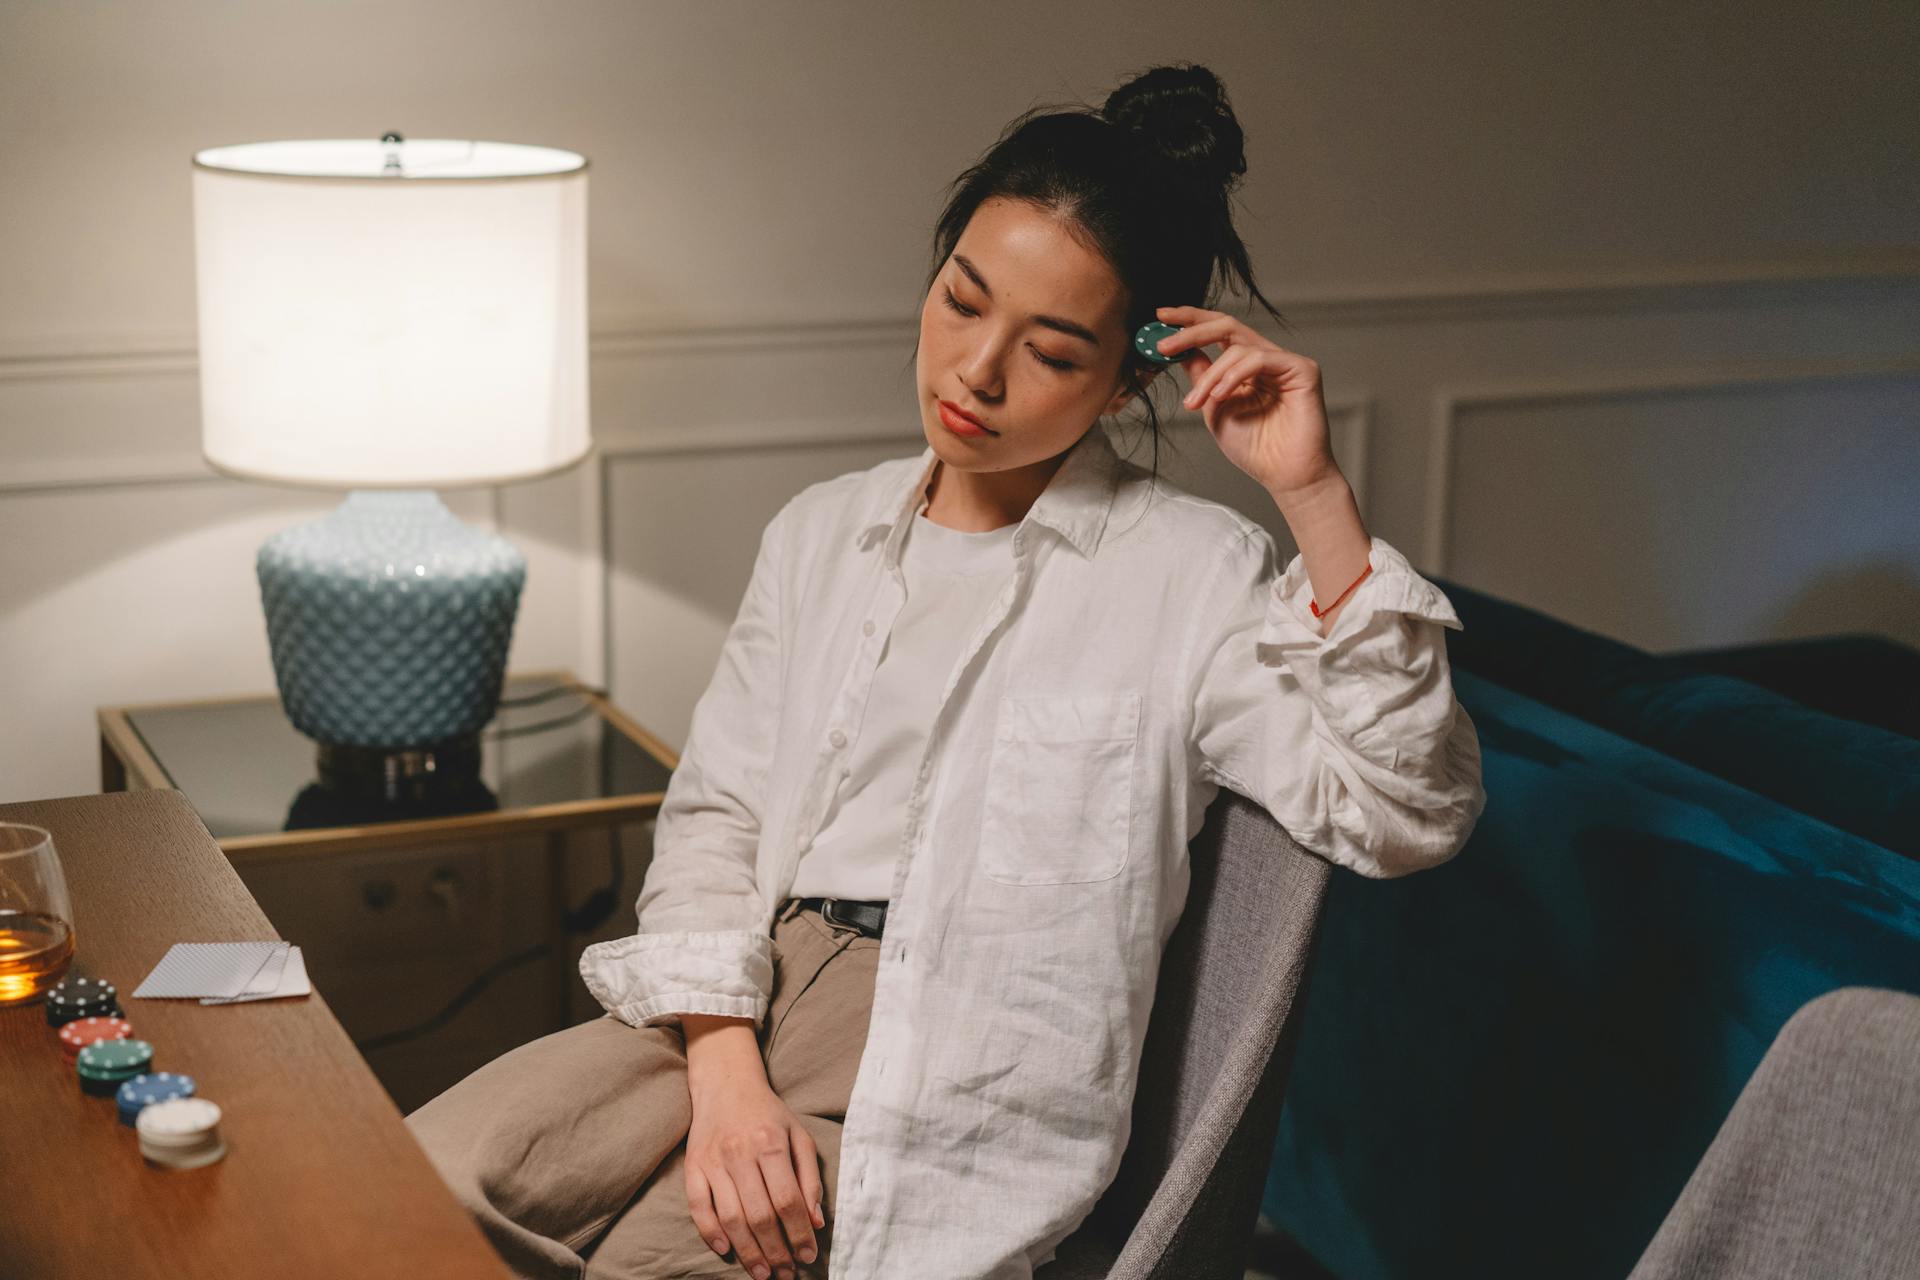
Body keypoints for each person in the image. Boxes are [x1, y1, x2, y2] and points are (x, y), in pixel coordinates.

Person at [406, 62, 1486, 1280]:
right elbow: (722, 812)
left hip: (933, 1057)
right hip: (730, 990)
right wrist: (724, 1068)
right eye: (962, 300)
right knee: (402, 1189)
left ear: (1130, 378)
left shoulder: (1189, 572)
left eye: (1052, 350)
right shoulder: (823, 529)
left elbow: (1405, 807)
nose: (975, 372)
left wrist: (1310, 491)